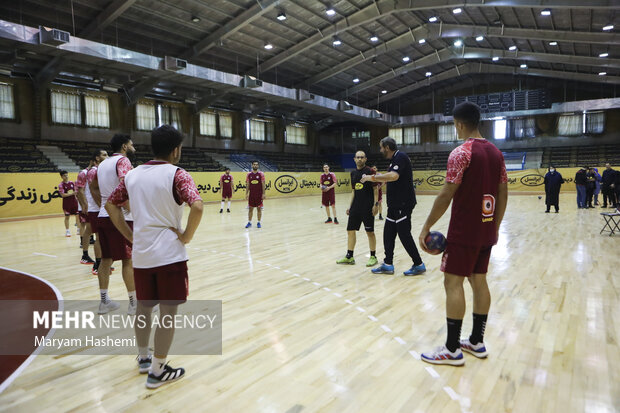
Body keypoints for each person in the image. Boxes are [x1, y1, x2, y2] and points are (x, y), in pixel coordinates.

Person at [106, 125, 203, 389]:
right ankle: (158, 371)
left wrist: (129, 235)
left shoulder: (133, 175)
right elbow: (197, 205)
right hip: (170, 255)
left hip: (142, 254)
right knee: (168, 313)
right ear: (175, 150)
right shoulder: (178, 175)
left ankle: (144, 358)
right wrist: (186, 237)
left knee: (144, 307)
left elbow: (111, 205)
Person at [418, 102, 508, 365]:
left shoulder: (461, 153)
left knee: (452, 283)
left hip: (464, 231)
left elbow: (446, 194)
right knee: (479, 281)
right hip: (486, 229)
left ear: (459, 123)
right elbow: (503, 193)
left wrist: (425, 227)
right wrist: (496, 226)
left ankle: (452, 349)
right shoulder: (496, 153)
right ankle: (477, 342)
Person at [362, 138, 425, 276]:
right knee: (388, 233)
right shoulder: (394, 160)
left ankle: (418, 264)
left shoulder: (400, 156)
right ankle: (388, 264)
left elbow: (394, 176)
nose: (380, 150)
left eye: (381, 147)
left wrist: (372, 178)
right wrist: (380, 176)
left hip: (403, 204)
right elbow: (390, 176)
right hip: (394, 205)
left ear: (387, 147)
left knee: (404, 234)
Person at [90, 134, 137, 315]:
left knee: (105, 260)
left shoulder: (102, 165)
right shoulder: (123, 162)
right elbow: (126, 185)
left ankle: (104, 302)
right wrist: (128, 207)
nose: (134, 148)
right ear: (124, 147)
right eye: (132, 145)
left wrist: (104, 203)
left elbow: (93, 187)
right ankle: (134, 304)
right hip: (120, 217)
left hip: (103, 215)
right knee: (128, 260)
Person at [336, 151, 378, 267]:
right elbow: (353, 191)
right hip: (356, 206)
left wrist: (376, 204)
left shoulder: (370, 171)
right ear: (354, 159)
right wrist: (350, 206)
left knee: (370, 232)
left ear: (365, 159)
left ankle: (373, 256)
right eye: (357, 157)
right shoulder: (353, 173)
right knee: (350, 230)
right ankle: (349, 256)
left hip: (368, 206)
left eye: (362, 157)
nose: (359, 159)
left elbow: (376, 190)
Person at [85, 149, 109, 275]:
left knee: (102, 237)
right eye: (104, 155)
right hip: (96, 209)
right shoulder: (94, 171)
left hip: (99, 208)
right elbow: (94, 191)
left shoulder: (100, 170)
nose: (107, 157)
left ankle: (102, 263)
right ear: (97, 159)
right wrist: (102, 206)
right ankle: (97, 264)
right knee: (98, 237)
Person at [76, 159, 95, 265]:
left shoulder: (97, 171)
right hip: (88, 207)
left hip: (95, 206)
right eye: (103, 155)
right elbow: (79, 191)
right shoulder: (83, 173)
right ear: (95, 159)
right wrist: (84, 205)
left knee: (92, 230)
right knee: (87, 228)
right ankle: (85, 254)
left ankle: (99, 260)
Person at [58, 170, 79, 237]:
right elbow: (62, 195)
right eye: (64, 175)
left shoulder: (72, 183)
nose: (66, 176)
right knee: (67, 217)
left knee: (78, 216)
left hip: (74, 202)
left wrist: (76, 195)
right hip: (66, 203)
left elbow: (76, 192)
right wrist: (71, 194)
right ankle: (67, 231)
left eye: (67, 175)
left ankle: (78, 229)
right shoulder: (61, 185)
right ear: (61, 176)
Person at [245, 161, 265, 228]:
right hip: (251, 195)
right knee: (250, 209)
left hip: (259, 195)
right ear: (252, 165)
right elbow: (248, 184)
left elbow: (263, 184)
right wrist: (246, 193)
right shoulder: (249, 174)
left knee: (259, 209)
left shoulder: (261, 174)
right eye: (254, 164)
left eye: (256, 165)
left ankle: (259, 222)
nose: (255, 166)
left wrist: (263, 194)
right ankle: (249, 222)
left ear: (258, 166)